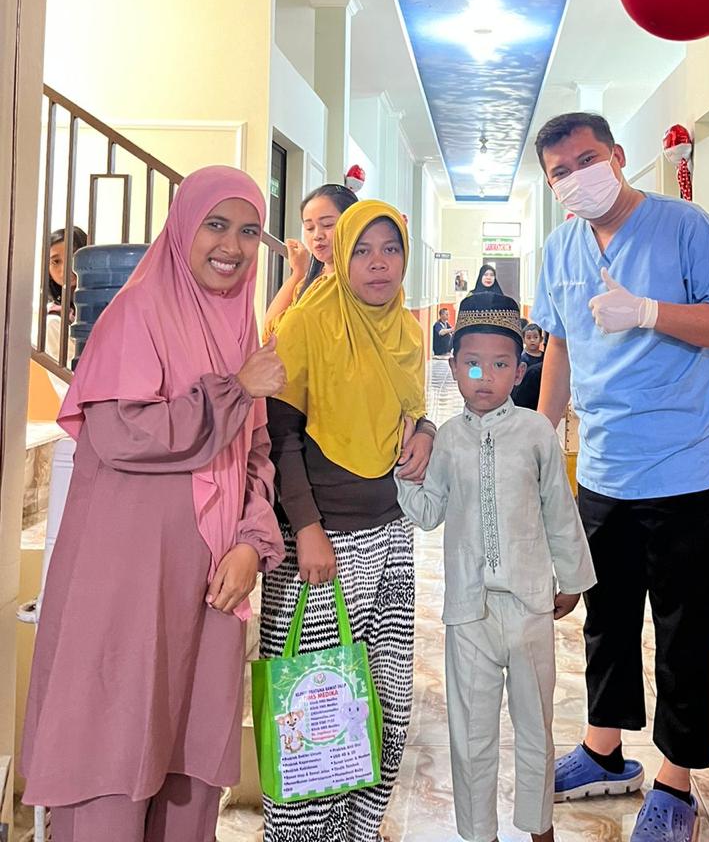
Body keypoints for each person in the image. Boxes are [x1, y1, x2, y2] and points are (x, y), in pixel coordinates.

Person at [21, 167, 287, 842]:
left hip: (209, 587)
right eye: (216, 225)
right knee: (110, 751)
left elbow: (255, 454)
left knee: (187, 766)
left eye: (249, 230)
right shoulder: (135, 314)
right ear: (182, 227)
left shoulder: (240, 327)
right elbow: (120, 434)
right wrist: (233, 389)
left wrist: (251, 544)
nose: (232, 245)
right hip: (128, 581)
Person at [532, 113, 709, 842]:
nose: (577, 177)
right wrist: (540, 436)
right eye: (561, 171)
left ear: (618, 155)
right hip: (604, 464)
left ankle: (676, 782)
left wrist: (651, 312)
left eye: (587, 159)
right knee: (607, 616)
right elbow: (561, 345)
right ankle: (604, 750)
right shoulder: (560, 247)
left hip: (685, 461)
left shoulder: (684, 226)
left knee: (685, 628)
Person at [261, 199, 436, 842]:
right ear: (342, 254)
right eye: (362, 250)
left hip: (389, 537)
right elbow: (279, 435)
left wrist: (427, 430)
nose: (378, 264)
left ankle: (359, 831)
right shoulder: (307, 322)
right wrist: (306, 527)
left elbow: (412, 409)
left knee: (384, 704)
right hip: (318, 545)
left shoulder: (408, 333)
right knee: (313, 711)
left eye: (390, 250)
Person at [396, 292, 595, 842]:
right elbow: (429, 512)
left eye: (500, 364)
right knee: (471, 735)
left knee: (535, 727)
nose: (485, 377)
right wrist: (402, 470)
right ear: (454, 366)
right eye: (473, 364)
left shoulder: (536, 434)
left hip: (530, 607)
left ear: (520, 370)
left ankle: (539, 826)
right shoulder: (446, 439)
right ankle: (478, 832)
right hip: (468, 614)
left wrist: (572, 579)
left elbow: (559, 509)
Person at [263, 183, 358, 335]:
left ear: (353, 224)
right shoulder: (311, 282)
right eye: (309, 228)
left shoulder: (361, 285)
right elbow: (270, 332)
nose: (317, 235)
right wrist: (298, 272)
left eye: (327, 224)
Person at [43, 224, 88, 362]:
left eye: (74, 257)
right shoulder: (54, 321)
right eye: (56, 261)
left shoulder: (109, 301)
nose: (66, 267)